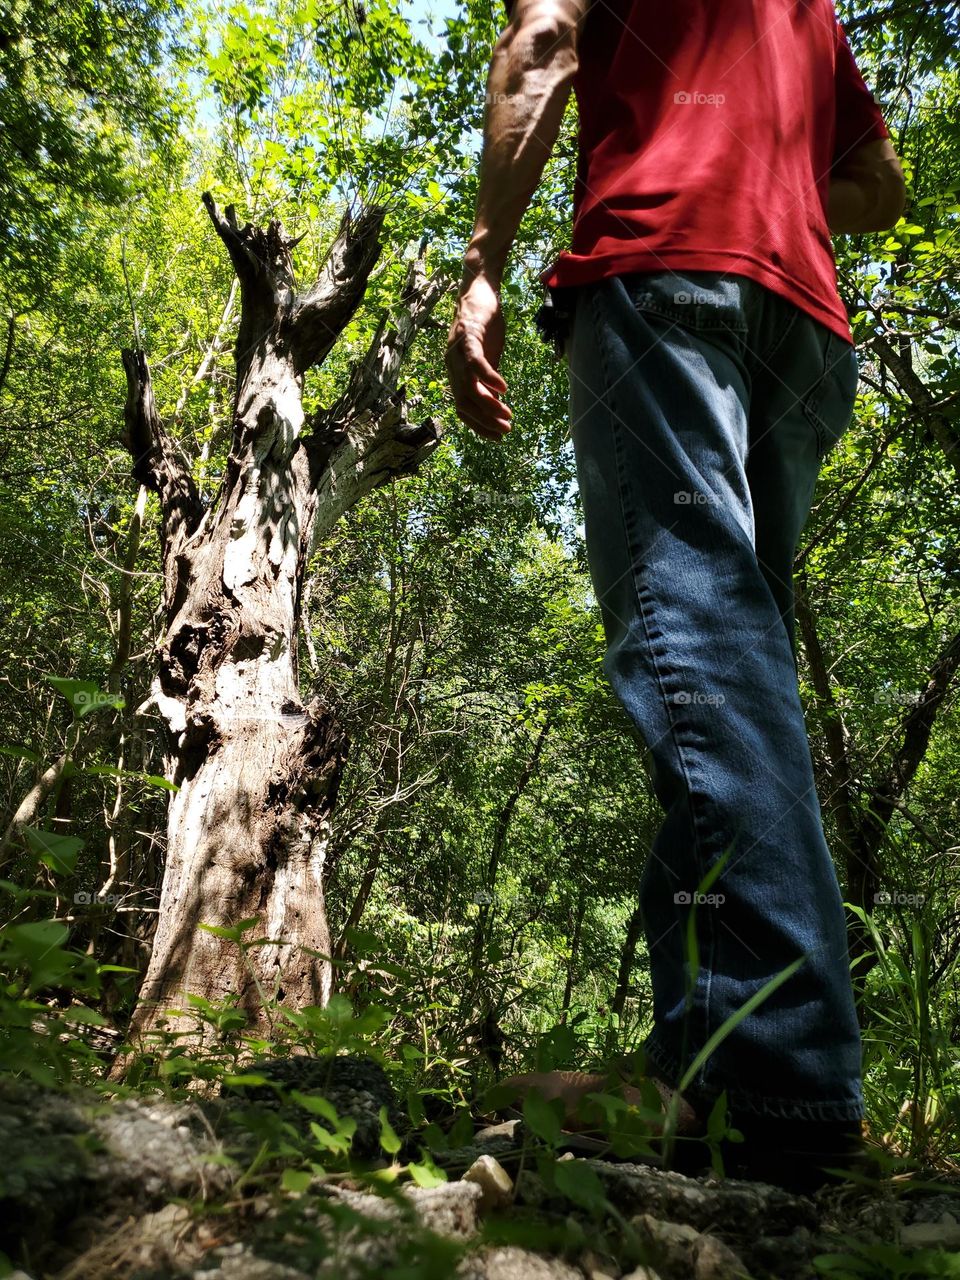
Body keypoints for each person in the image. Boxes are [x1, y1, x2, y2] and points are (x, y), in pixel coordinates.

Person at [445, 0, 906, 1192]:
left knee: (699, 651)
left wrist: (483, 266)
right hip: (801, 331)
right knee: (730, 670)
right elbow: (879, 183)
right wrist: (777, 182)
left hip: (665, 272)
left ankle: (774, 1080)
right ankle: (705, 1058)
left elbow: (546, 40)